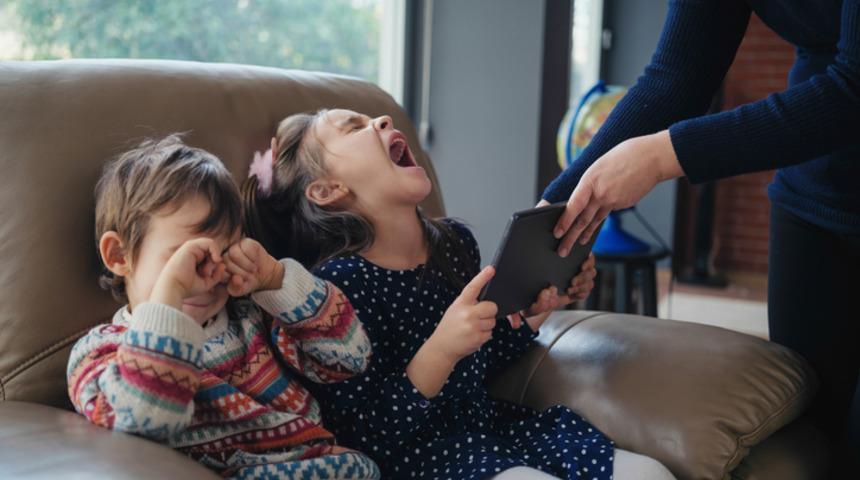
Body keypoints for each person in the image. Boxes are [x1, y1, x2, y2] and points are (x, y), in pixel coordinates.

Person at [242, 109, 677, 479]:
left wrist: (534, 313)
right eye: (353, 128)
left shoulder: (453, 244)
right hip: (419, 458)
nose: (382, 119)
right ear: (326, 192)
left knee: (649, 474)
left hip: (492, 431)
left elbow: (482, 362)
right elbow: (364, 436)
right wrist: (440, 350)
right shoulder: (337, 292)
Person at [541, 0, 860, 470]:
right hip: (815, 191)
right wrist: (556, 207)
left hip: (838, 111)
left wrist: (661, 156)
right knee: (812, 436)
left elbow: (852, 91)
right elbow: (676, 74)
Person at [67, 135, 379, 479]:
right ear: (119, 255)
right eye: (190, 256)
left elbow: (349, 357)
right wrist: (169, 297)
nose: (210, 275)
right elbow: (143, 424)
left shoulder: (251, 320)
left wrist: (276, 279)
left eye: (224, 252)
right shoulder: (102, 351)